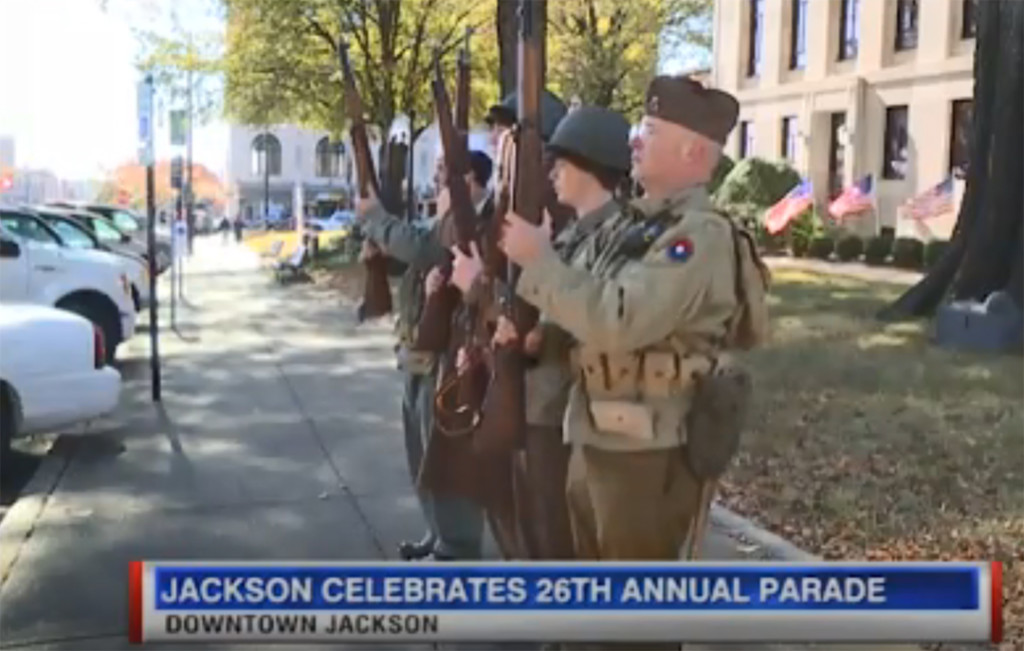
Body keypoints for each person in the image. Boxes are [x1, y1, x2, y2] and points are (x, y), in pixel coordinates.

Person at [497, 77, 767, 572]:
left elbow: (620, 319)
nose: (634, 141)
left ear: (691, 151)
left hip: (648, 451)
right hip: (598, 435)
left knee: (632, 602)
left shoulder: (697, 237)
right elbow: (584, 308)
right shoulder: (636, 225)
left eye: (651, 131)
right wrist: (538, 338)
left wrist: (538, 262)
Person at [451, 105, 632, 562]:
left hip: (558, 406)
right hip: (534, 397)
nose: (552, 173)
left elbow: (574, 318)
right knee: (528, 525)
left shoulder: (615, 238)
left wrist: (485, 291)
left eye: (561, 164)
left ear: (590, 167)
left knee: (555, 533)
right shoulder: (572, 235)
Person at [355, 153, 492, 562]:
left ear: (470, 179)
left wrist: (375, 217)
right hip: (420, 358)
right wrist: (379, 254)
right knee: (422, 462)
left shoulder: (475, 223)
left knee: (447, 466)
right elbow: (417, 257)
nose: (435, 179)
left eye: (443, 172)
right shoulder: (443, 222)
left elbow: (422, 248)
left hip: (450, 363)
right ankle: (438, 534)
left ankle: (457, 548)